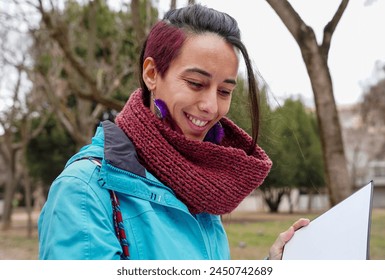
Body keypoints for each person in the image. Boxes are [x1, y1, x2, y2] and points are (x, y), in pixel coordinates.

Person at [38, 4, 309, 260]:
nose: (211, 106)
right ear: (152, 73)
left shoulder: (198, 186)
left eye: (225, 91)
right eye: (195, 83)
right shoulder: (83, 192)